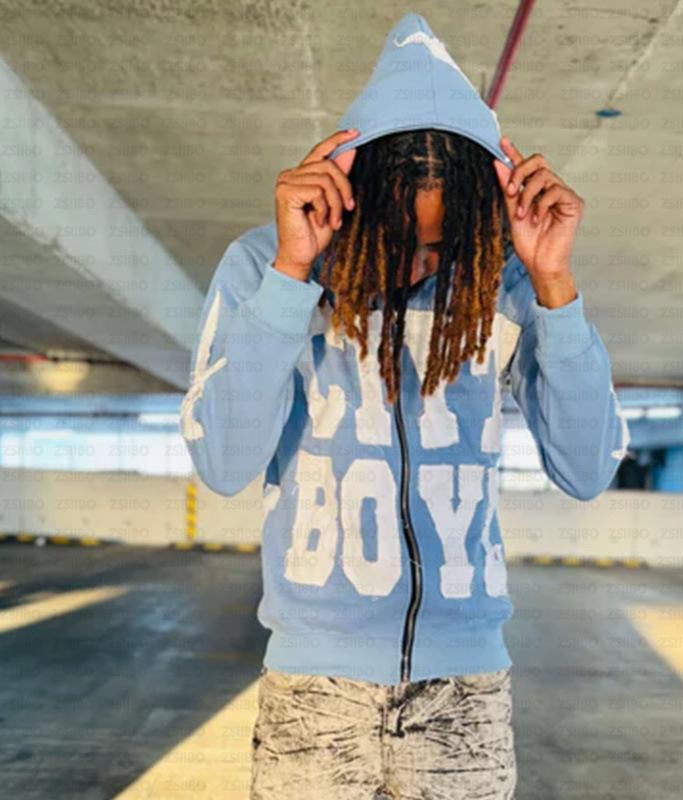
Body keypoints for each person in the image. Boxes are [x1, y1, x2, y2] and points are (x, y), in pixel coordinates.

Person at [180, 12, 629, 800]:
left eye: (442, 243)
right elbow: (221, 462)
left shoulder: (507, 285)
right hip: (313, 689)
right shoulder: (266, 266)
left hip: (465, 693)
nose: (422, 264)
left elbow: (588, 469)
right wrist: (290, 277)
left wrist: (555, 286)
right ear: (353, 198)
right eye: (400, 236)